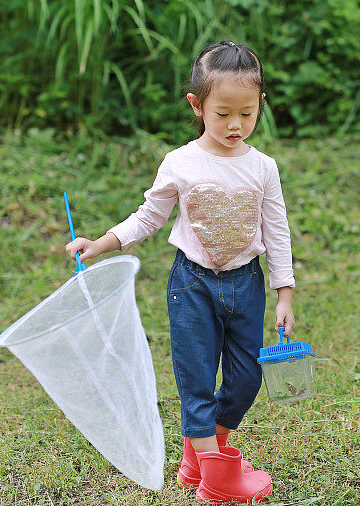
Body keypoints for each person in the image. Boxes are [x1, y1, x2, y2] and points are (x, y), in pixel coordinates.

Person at [65, 40, 295, 504]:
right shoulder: (180, 162)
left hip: (246, 284)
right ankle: (217, 481)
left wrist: (284, 292)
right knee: (196, 378)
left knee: (247, 376)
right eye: (223, 113)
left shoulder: (263, 167)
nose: (236, 125)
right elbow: (147, 217)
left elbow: (277, 230)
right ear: (198, 105)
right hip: (192, 285)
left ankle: (202, 455)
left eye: (247, 114)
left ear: (260, 105)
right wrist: (102, 244)